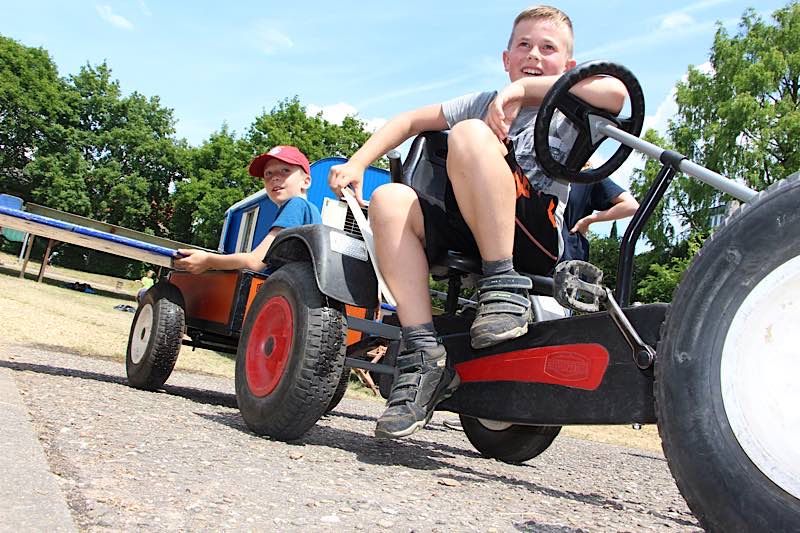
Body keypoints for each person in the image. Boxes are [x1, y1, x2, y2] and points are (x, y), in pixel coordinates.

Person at [328, 5, 627, 439]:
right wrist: (358, 162)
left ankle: (504, 286)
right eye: (523, 45)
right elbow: (410, 120)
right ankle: (422, 353)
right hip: (474, 225)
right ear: (505, 58)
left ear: (568, 66)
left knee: (469, 133)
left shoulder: (575, 107)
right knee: (389, 198)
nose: (534, 54)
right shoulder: (482, 102)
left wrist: (525, 91)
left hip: (535, 234)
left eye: (548, 48)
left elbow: (616, 91)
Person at [175, 146, 321, 274]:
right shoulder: (310, 211)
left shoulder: (296, 205)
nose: (275, 178)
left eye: (285, 170)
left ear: (306, 181)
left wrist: (208, 260)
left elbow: (254, 262)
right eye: (268, 173)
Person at [561, 178, 639, 263]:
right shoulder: (546, 175)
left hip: (566, 257)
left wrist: (587, 220)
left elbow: (631, 206)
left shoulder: (589, 177)